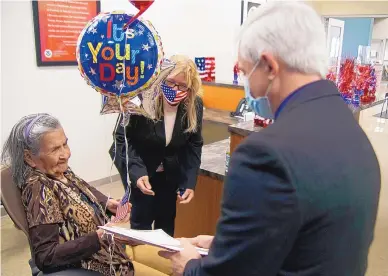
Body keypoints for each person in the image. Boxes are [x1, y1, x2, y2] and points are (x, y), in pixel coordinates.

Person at [159, 2, 381, 276]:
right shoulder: (351, 131)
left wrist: (189, 265)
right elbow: (309, 236)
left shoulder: (265, 155)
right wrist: (226, 245)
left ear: (268, 66)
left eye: (244, 71)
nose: (245, 84)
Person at [1, 114, 137, 275]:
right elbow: (45, 256)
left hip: (112, 255)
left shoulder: (60, 172)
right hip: (93, 266)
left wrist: (107, 204)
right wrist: (99, 237)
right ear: (29, 157)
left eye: (65, 144)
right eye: (55, 149)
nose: (66, 154)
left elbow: (82, 192)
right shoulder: (40, 189)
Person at [110, 55, 204, 237]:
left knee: (166, 226)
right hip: (142, 171)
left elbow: (194, 144)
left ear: (190, 88)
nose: (175, 89)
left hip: (170, 177)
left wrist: (189, 182)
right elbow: (121, 139)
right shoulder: (140, 99)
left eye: (182, 85)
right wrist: (137, 173)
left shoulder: (194, 104)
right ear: (161, 78)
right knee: (141, 226)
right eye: (170, 82)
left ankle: (163, 264)